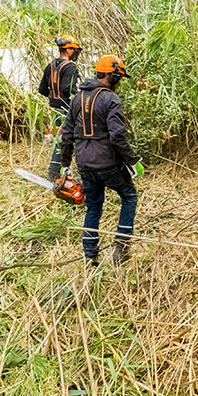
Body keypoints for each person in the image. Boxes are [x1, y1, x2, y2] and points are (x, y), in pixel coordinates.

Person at [60, 55, 142, 266]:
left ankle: (90, 257)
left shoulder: (77, 99)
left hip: (85, 164)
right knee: (129, 196)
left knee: (94, 207)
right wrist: (132, 160)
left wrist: (65, 164)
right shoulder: (111, 99)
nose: (120, 82)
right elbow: (117, 136)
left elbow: (67, 133)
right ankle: (121, 248)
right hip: (108, 164)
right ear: (112, 76)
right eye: (119, 77)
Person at [37, 35, 81, 180]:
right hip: (67, 108)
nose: (75, 53)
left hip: (54, 108)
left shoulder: (50, 65)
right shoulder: (70, 66)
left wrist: (53, 98)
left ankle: (57, 172)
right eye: (74, 50)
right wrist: (81, 96)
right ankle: (55, 173)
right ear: (68, 50)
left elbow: (42, 89)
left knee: (60, 139)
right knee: (71, 139)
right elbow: (67, 88)